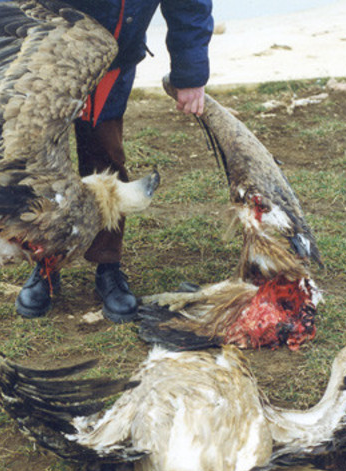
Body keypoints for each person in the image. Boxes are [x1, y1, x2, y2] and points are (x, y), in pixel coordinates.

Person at [13, 0, 214, 323]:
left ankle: (108, 264)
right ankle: (46, 261)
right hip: (47, 57)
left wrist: (190, 72)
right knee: (41, 161)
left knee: (105, 155)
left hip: (114, 57)